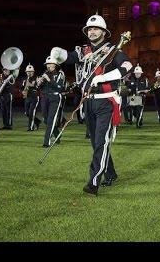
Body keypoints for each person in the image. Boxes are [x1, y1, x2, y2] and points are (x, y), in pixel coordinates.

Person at [51, 14, 133, 196]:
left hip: (106, 100)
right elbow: (69, 57)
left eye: (96, 29)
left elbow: (128, 66)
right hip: (88, 101)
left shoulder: (113, 50)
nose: (92, 31)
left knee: (100, 142)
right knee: (97, 142)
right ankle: (110, 172)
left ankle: (94, 182)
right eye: (89, 29)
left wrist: (105, 77)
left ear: (104, 32)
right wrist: (58, 54)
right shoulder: (83, 51)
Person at [37, 56, 65, 147]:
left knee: (50, 120)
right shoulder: (44, 73)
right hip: (44, 98)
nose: (47, 66)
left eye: (49, 64)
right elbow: (40, 88)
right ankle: (57, 134)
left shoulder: (60, 74)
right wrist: (39, 83)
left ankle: (46, 142)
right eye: (47, 64)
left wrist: (49, 80)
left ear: (54, 64)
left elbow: (60, 87)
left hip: (55, 98)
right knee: (46, 119)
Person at [127, 64, 149, 128]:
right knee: (133, 111)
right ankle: (138, 120)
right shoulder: (131, 79)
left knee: (139, 111)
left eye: (138, 73)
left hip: (141, 96)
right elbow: (128, 87)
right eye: (136, 73)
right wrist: (129, 89)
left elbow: (148, 88)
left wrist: (145, 90)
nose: (137, 74)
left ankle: (138, 124)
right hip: (133, 97)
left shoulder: (144, 79)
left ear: (141, 73)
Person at [20, 63, 41, 131]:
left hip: (34, 97)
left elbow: (34, 85)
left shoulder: (36, 77)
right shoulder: (24, 79)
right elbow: (21, 88)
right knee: (27, 113)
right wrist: (22, 91)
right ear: (26, 72)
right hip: (27, 97)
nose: (29, 73)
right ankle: (37, 121)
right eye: (28, 72)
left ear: (33, 72)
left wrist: (28, 84)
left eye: (31, 71)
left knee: (31, 112)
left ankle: (31, 128)